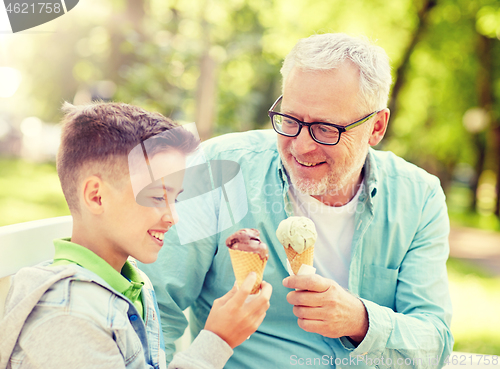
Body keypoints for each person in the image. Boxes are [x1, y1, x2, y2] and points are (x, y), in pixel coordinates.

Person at [139, 33, 454, 368]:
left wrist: (361, 321)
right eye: (290, 120)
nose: (301, 146)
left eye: (326, 128)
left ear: (376, 127)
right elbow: (155, 308)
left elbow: (434, 341)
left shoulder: (419, 197)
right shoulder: (218, 169)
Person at [0, 102, 272, 369]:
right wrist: (218, 340)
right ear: (96, 196)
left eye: (176, 199)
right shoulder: (67, 317)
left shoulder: (133, 281)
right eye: (157, 197)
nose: (173, 217)